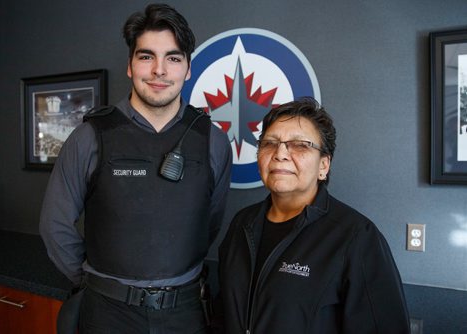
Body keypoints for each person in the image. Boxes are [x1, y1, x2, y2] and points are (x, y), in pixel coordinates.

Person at [40, 3, 232, 333]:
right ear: (130, 65)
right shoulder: (90, 137)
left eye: (173, 58)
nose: (159, 70)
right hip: (107, 313)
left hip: (186, 313)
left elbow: (209, 222)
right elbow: (54, 225)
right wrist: (103, 286)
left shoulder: (212, 140)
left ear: (187, 69)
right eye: (146, 56)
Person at [216, 97, 410, 333]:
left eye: (300, 145)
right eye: (269, 143)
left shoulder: (357, 237)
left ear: (323, 166)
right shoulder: (241, 224)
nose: (280, 153)